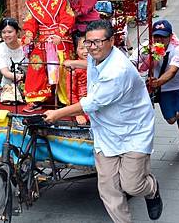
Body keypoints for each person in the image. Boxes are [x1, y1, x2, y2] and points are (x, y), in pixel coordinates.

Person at [44, 20, 163, 223]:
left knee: (132, 185)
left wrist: (56, 114)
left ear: (112, 41)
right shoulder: (96, 56)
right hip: (105, 130)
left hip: (134, 130)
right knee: (108, 187)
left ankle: (151, 189)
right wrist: (74, 63)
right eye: (89, 43)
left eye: (98, 42)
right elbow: (90, 64)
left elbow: (92, 103)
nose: (92, 47)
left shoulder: (117, 71)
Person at [22, 0, 75, 111]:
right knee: (36, 64)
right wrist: (29, 34)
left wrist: (59, 33)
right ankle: (36, 99)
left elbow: (68, 17)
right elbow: (30, 22)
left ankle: (68, 100)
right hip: (43, 40)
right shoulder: (33, 5)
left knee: (64, 68)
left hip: (61, 39)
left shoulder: (61, 0)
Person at [147, 20, 179, 157]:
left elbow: (172, 72)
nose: (159, 40)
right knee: (171, 120)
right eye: (156, 36)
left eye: (163, 36)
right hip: (164, 88)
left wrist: (157, 83)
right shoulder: (147, 46)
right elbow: (134, 61)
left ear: (171, 36)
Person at [0, 17, 25, 86]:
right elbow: (5, 72)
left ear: (17, 33)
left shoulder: (27, 46)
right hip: (8, 87)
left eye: (10, 32)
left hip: (30, 84)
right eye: (3, 32)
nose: (6, 35)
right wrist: (21, 77)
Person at [64, 36, 88, 125]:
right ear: (76, 50)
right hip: (81, 106)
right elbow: (71, 92)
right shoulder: (74, 69)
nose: (86, 51)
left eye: (88, 47)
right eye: (82, 48)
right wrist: (78, 113)